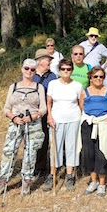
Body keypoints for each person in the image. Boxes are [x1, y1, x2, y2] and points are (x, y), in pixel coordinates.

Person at [0, 59, 47, 197]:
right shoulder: (14, 86)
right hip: (15, 124)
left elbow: (43, 108)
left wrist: (33, 116)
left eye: (32, 69)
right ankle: (2, 181)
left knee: (30, 154)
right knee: (9, 151)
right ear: (22, 69)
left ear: (35, 71)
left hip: (33, 124)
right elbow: (6, 107)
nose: (29, 71)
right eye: (27, 68)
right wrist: (13, 117)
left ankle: (26, 182)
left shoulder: (38, 87)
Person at [42, 59, 83, 192]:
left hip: (73, 118)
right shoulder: (53, 84)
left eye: (68, 69)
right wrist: (49, 116)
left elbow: (80, 103)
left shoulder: (77, 85)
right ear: (59, 70)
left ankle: (70, 175)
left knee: (71, 146)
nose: (66, 71)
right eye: (63, 69)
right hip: (56, 119)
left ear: (72, 70)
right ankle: (53, 173)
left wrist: (82, 118)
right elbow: (49, 102)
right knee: (55, 146)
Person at [77, 66, 107, 197]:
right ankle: (93, 181)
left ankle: (102, 183)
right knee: (89, 153)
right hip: (88, 125)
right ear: (90, 78)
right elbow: (82, 107)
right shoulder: (84, 92)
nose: (98, 79)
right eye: (95, 77)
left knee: (101, 153)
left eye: (101, 76)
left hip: (104, 125)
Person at [33, 49, 58, 179]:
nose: (50, 62)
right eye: (48, 60)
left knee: (44, 140)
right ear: (40, 61)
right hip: (31, 113)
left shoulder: (52, 76)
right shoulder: (30, 74)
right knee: (31, 141)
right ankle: (31, 166)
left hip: (46, 112)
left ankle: (41, 167)